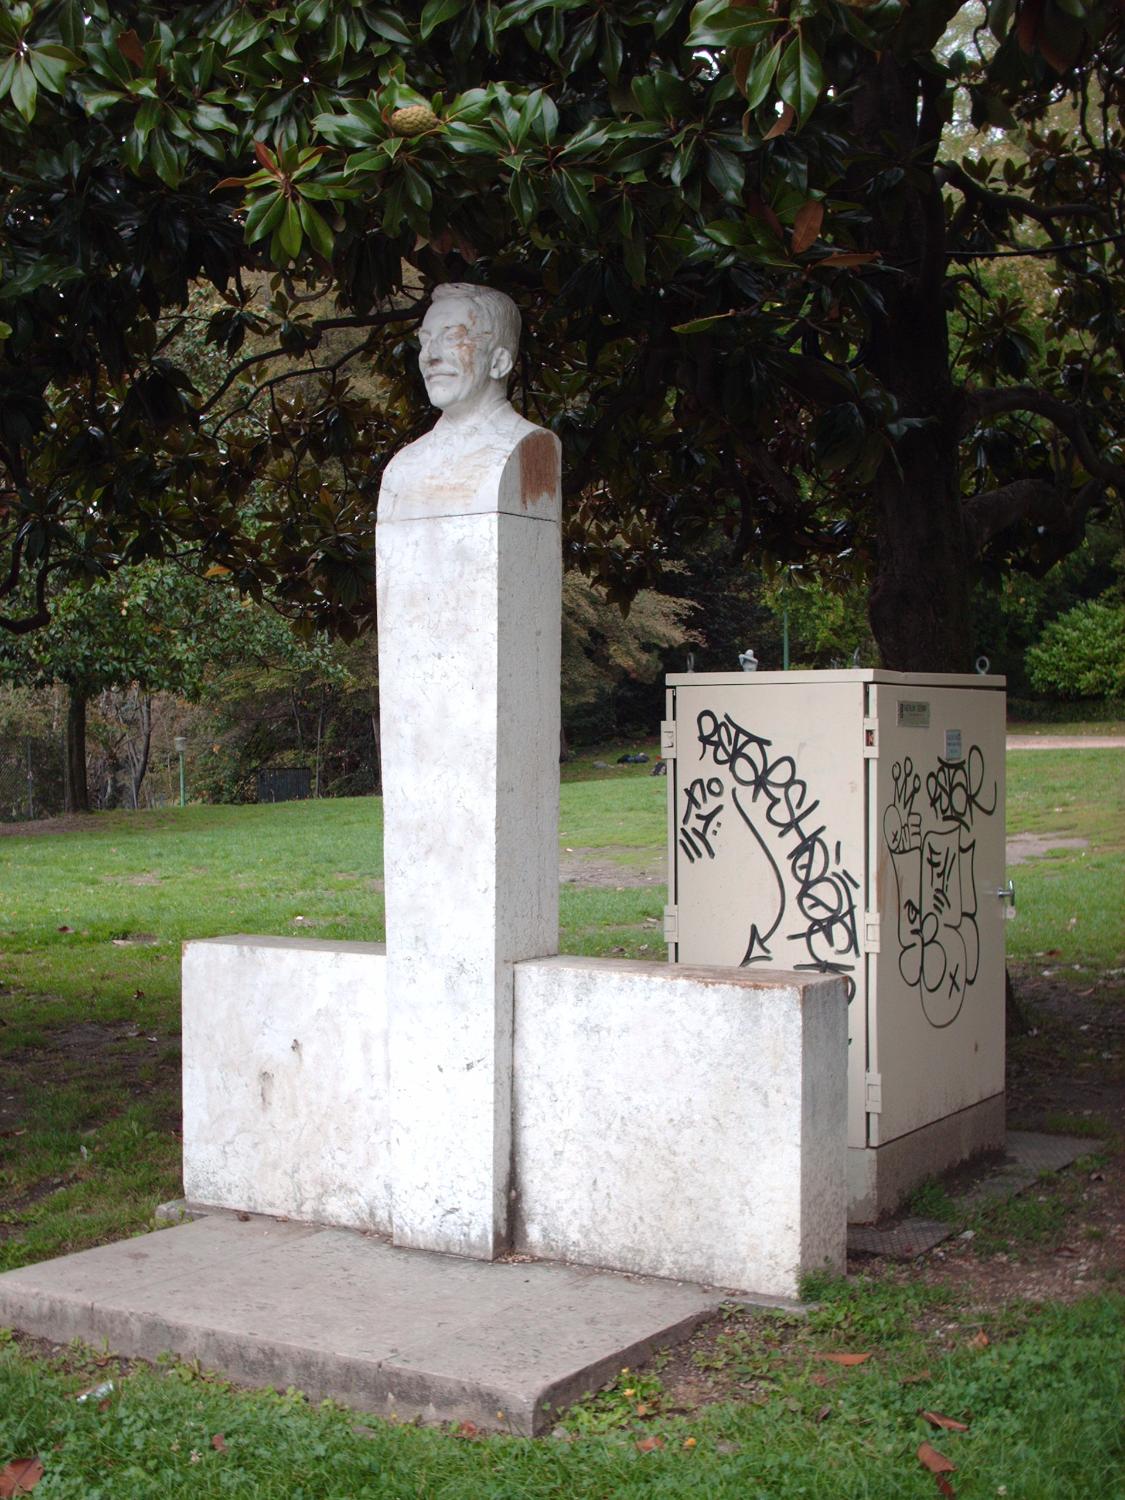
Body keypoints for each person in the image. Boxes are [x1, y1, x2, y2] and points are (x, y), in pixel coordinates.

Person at [378, 283, 554, 522]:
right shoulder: (402, 468)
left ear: (498, 361)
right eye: (425, 340)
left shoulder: (532, 448)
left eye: (452, 337)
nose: (429, 356)